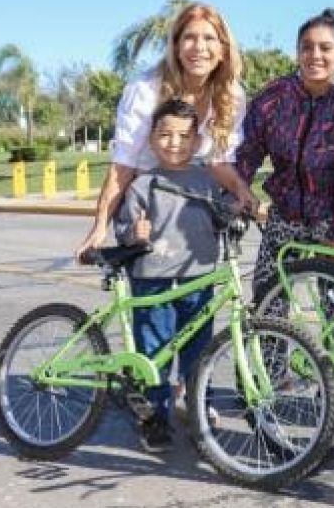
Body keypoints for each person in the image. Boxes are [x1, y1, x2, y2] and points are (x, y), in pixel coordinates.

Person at [76, 2, 253, 260]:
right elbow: (123, 164)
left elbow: (219, 161)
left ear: (224, 50)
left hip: (193, 202)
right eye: (189, 37)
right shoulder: (145, 89)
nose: (199, 47)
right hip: (148, 201)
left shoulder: (232, 95)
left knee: (196, 286)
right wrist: (100, 225)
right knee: (151, 284)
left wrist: (241, 190)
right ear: (176, 47)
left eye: (209, 38)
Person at [235, 8, 334, 300]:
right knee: (266, 298)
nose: (315, 55)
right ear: (297, 53)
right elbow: (249, 150)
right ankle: (273, 346)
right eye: (307, 47)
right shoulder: (275, 98)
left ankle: (333, 348)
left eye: (325, 48)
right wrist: (238, 190)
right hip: (285, 215)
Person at [113, 99, 226, 453]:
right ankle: (155, 417)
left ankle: (197, 407)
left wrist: (236, 210)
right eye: (165, 135)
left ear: (195, 141)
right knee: (155, 352)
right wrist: (135, 232)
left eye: (183, 136)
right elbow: (123, 230)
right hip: (153, 279)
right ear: (151, 139)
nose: (174, 143)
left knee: (200, 349)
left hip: (199, 278)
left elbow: (222, 215)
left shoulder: (207, 180)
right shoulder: (141, 185)